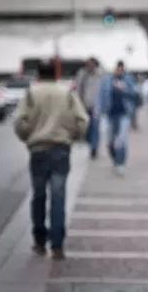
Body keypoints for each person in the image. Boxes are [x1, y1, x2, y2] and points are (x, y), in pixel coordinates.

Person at [14, 61, 88, 260]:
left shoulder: (32, 93)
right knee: (58, 196)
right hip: (60, 150)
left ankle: (39, 241)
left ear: (38, 74)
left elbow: (20, 121)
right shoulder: (66, 93)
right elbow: (83, 120)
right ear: (56, 74)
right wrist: (74, 136)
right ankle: (57, 245)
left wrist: (27, 137)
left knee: (38, 195)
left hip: (38, 150)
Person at [99, 61, 138, 176]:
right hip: (110, 114)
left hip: (124, 114)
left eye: (121, 70)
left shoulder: (129, 80)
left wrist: (124, 89)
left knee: (122, 140)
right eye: (117, 69)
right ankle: (115, 159)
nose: (119, 71)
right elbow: (101, 95)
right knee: (110, 141)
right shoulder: (107, 80)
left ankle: (121, 163)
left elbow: (135, 95)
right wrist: (99, 110)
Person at [75, 57, 103, 159]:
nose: (89, 66)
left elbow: (103, 91)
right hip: (84, 105)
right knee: (86, 128)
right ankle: (89, 143)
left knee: (95, 128)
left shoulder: (100, 75)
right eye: (88, 64)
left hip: (96, 106)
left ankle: (94, 148)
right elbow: (77, 88)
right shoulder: (82, 74)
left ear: (95, 65)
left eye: (91, 64)